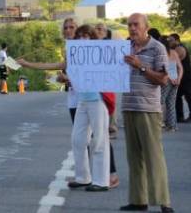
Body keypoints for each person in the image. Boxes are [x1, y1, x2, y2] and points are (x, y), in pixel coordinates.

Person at [19, 25, 112, 192]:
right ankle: (83, 177)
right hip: (83, 100)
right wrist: (27, 64)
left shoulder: (99, 54)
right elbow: (51, 65)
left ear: (93, 38)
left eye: (87, 35)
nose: (83, 38)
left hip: (98, 101)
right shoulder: (74, 57)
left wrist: (69, 78)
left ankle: (101, 181)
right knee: (78, 139)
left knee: (99, 141)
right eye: (80, 36)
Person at [120, 13, 174, 213]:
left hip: (148, 109)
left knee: (154, 157)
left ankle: (164, 202)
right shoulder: (125, 48)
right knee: (134, 158)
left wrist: (140, 66)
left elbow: (163, 79)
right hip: (128, 106)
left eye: (136, 25)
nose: (132, 28)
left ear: (145, 27)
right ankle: (138, 200)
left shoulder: (157, 48)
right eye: (129, 25)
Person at [95, 23, 119, 139]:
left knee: (109, 101)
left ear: (105, 31)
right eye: (96, 29)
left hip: (108, 78)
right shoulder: (89, 44)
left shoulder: (110, 44)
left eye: (100, 29)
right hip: (94, 79)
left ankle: (111, 127)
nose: (98, 31)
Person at [159, 36, 183, 132]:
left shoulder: (162, 53)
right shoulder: (174, 52)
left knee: (160, 102)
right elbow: (180, 67)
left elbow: (164, 68)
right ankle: (172, 126)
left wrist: (169, 77)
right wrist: (179, 78)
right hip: (175, 77)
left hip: (167, 78)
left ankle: (159, 123)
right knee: (171, 103)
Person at [169, 33, 191, 123]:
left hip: (185, 77)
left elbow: (172, 63)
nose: (169, 42)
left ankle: (180, 116)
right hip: (183, 77)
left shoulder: (179, 49)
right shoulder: (176, 48)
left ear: (177, 41)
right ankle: (179, 116)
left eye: (171, 40)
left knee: (188, 96)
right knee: (178, 97)